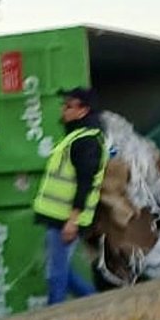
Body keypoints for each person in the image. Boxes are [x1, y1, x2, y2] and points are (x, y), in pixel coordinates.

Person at [33, 87, 108, 304]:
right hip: (58, 218)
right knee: (64, 273)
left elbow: (85, 182)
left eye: (68, 105)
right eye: (63, 104)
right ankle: (99, 306)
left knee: (56, 276)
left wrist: (72, 221)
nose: (63, 109)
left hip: (65, 220)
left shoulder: (86, 141)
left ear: (83, 110)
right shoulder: (77, 136)